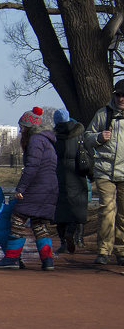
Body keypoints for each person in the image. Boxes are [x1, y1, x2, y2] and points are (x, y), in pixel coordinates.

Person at [0, 107, 58, 270]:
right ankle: (48, 260)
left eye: (22, 127)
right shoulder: (47, 141)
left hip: (37, 186)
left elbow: (32, 166)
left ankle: (12, 258)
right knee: (39, 224)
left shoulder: (35, 140)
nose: (20, 130)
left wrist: (20, 188)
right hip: (50, 187)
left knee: (17, 218)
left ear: (28, 127)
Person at [83, 80, 124, 265]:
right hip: (105, 171)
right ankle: (103, 251)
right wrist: (98, 137)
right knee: (107, 210)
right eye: (118, 95)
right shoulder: (103, 114)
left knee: (123, 214)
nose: (121, 98)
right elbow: (86, 138)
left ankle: (121, 250)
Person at [53, 109, 93, 254]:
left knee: (59, 212)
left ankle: (63, 242)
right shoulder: (78, 135)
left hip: (58, 178)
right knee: (76, 211)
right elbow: (87, 156)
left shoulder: (54, 137)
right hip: (77, 177)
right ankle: (73, 234)